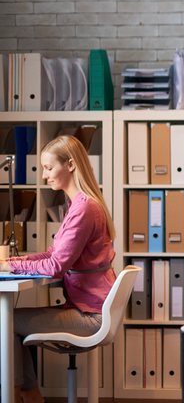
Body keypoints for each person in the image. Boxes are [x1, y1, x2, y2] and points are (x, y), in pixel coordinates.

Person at [0, 135, 116, 403]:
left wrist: (10, 265)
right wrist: (12, 264)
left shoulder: (84, 209)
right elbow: (54, 254)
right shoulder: (78, 204)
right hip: (90, 309)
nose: (43, 176)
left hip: (90, 316)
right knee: (8, 319)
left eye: (49, 168)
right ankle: (28, 393)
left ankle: (21, 394)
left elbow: (54, 267)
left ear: (71, 165)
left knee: (4, 320)